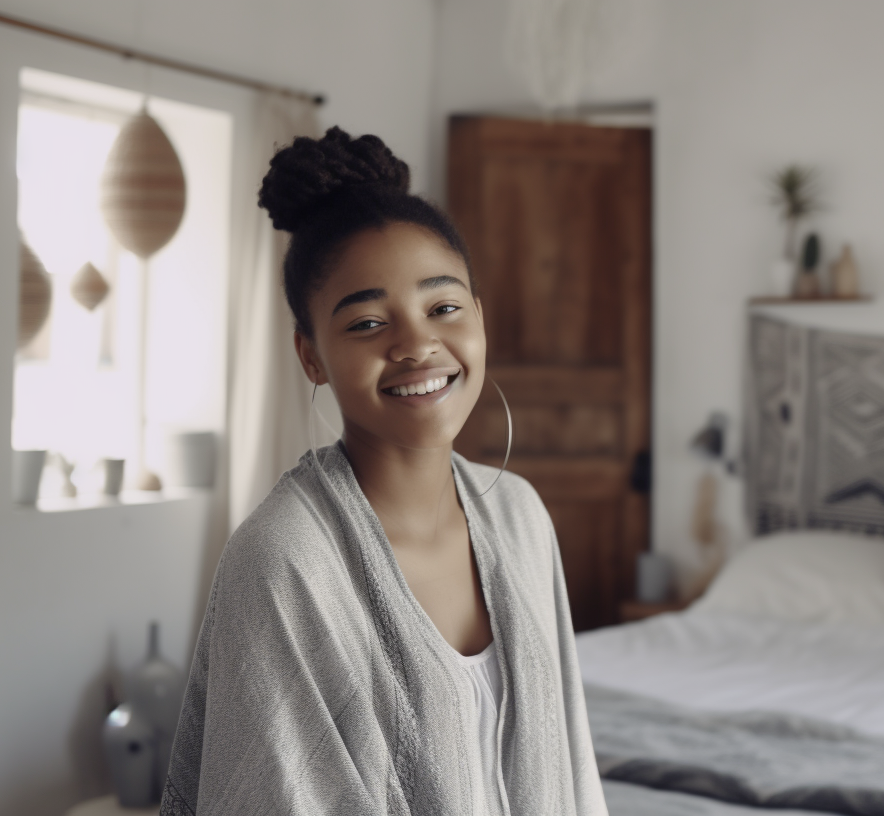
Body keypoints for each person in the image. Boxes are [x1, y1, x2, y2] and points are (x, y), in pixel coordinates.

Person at [160, 127, 607, 816]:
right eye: (368, 322)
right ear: (311, 356)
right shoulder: (284, 561)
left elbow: (571, 766)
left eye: (443, 307)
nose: (417, 344)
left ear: (479, 319)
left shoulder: (519, 514)